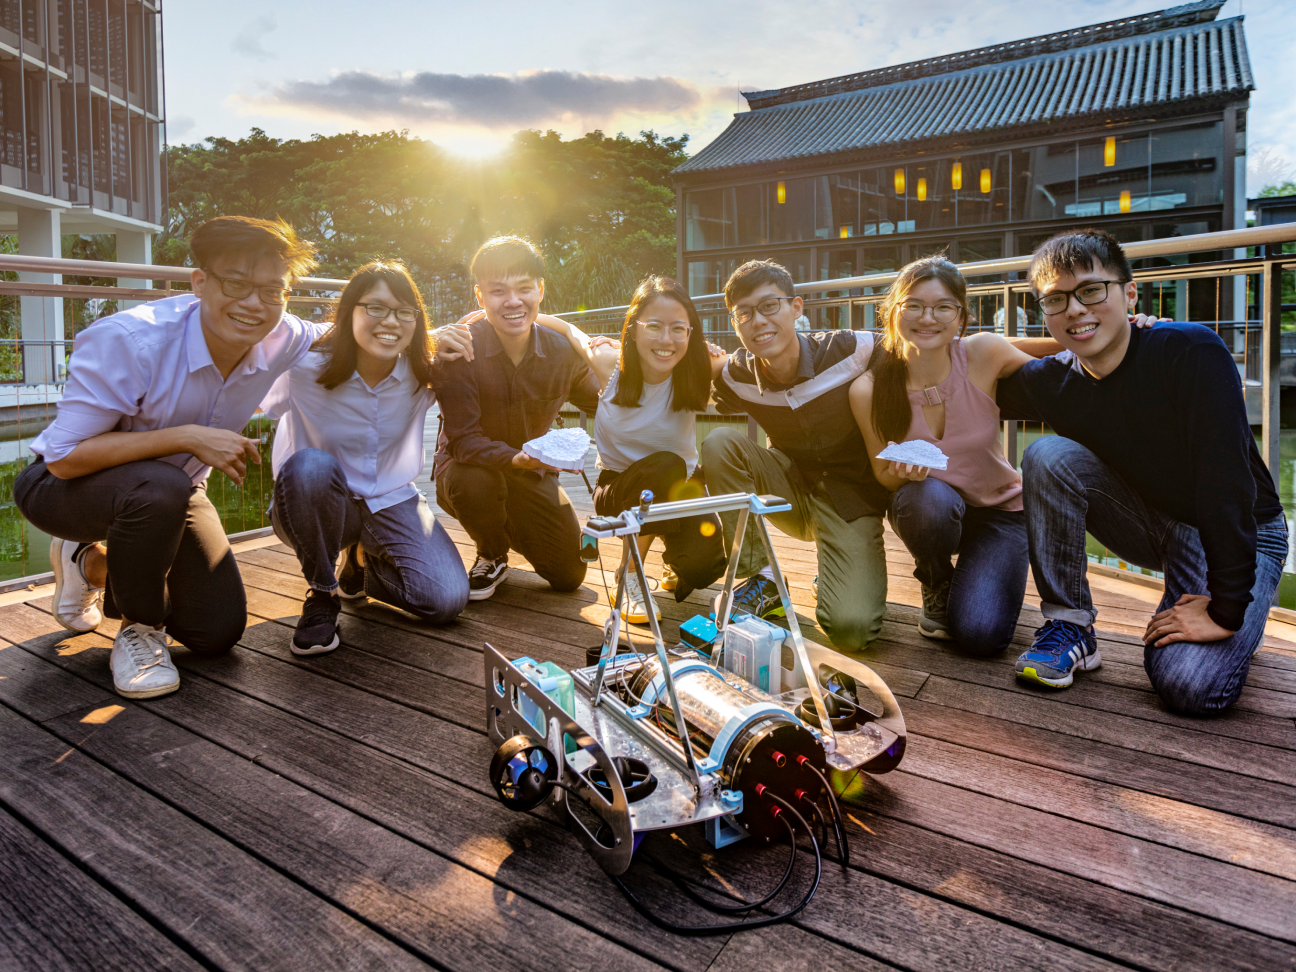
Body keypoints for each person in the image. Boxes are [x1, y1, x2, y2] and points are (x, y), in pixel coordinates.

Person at [14, 216, 323, 699]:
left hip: (169, 494)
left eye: (272, 290)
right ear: (199, 282)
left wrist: (452, 332)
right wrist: (187, 437)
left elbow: (347, 328)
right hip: (63, 488)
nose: (253, 304)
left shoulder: (283, 334)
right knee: (161, 485)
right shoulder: (130, 341)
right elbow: (64, 459)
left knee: (215, 634)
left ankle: (88, 564)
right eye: (236, 284)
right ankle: (140, 630)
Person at [997, 228, 1286, 714]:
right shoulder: (1051, 380)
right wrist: (1073, 336)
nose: (1075, 309)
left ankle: (1241, 623)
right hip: (1147, 520)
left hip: (1243, 530)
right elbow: (962, 357)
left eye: (1091, 291)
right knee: (1047, 455)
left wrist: (1226, 610)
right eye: (1056, 300)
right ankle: (1071, 628)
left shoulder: (1189, 351)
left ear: (1130, 293)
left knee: (1192, 686)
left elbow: (1227, 486)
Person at [261, 261, 469, 655]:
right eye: (375, 307)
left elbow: (481, 332)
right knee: (310, 466)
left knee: (445, 601)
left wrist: (584, 341)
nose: (390, 321)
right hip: (313, 505)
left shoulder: (423, 370)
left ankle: (358, 564)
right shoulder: (304, 367)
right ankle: (323, 594)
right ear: (349, 311)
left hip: (391, 499)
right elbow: (250, 392)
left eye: (404, 311)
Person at [849, 257, 1039, 655]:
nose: (927, 317)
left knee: (980, 636)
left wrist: (1136, 329)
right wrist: (905, 475)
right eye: (913, 305)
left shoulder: (984, 352)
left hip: (1000, 514)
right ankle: (935, 579)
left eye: (943, 307)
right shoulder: (868, 388)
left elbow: (1065, 357)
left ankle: (977, 577)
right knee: (927, 498)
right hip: (929, 508)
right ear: (892, 313)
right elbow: (884, 477)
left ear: (960, 317)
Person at [702, 260, 890, 652]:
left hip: (849, 500)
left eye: (770, 306)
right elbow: (681, 371)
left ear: (797, 307)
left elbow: (926, 349)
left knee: (852, 629)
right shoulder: (737, 376)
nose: (758, 321)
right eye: (744, 313)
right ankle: (761, 579)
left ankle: (837, 569)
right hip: (786, 491)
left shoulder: (854, 349)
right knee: (720, 441)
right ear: (735, 323)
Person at [526, 276, 728, 624]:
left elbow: (755, 364)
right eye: (654, 326)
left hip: (681, 488)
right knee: (665, 467)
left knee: (706, 565)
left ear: (691, 333)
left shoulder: (697, 370)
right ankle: (629, 573)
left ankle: (673, 559)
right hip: (619, 488)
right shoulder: (610, 365)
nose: (666, 340)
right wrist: (521, 316)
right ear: (633, 329)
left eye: (679, 329)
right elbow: (571, 331)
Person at [431, 236, 601, 601]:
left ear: (540, 290)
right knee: (476, 483)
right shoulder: (462, 348)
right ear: (480, 296)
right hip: (466, 471)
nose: (512, 301)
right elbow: (463, 442)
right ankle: (491, 552)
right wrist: (514, 458)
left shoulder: (563, 352)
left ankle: (508, 520)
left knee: (569, 575)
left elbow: (604, 405)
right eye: (498, 291)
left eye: (524, 288)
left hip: (531, 472)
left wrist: (607, 360)